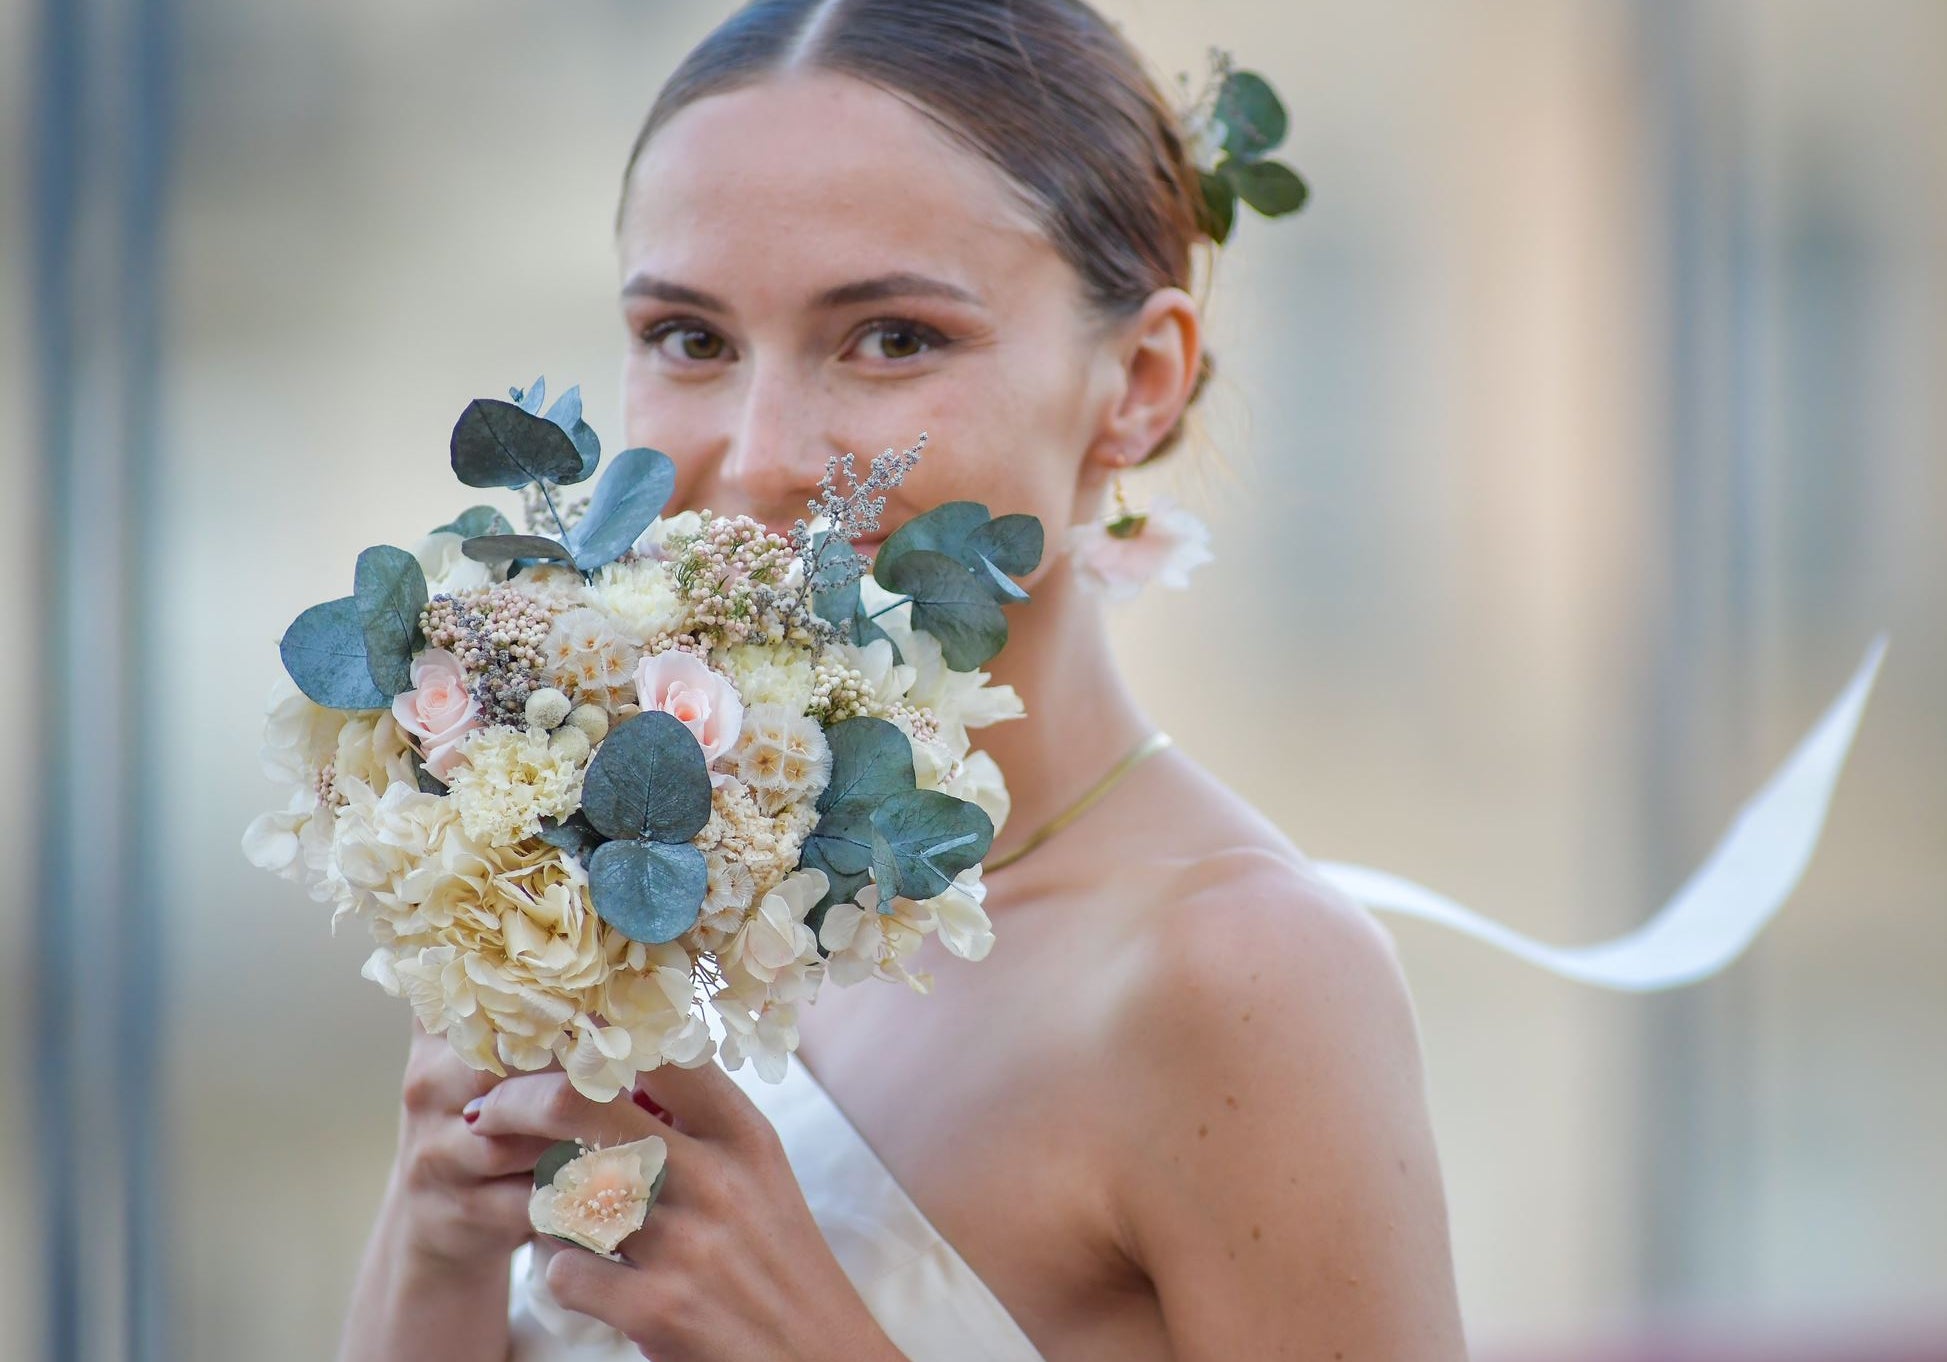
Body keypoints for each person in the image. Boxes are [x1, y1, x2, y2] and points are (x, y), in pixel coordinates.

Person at [337, 2, 1469, 1357]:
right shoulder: (637, 893)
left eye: (892, 338)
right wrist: (438, 1243)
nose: (759, 458)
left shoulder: (1243, 976)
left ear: (1140, 381)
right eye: (692, 340)